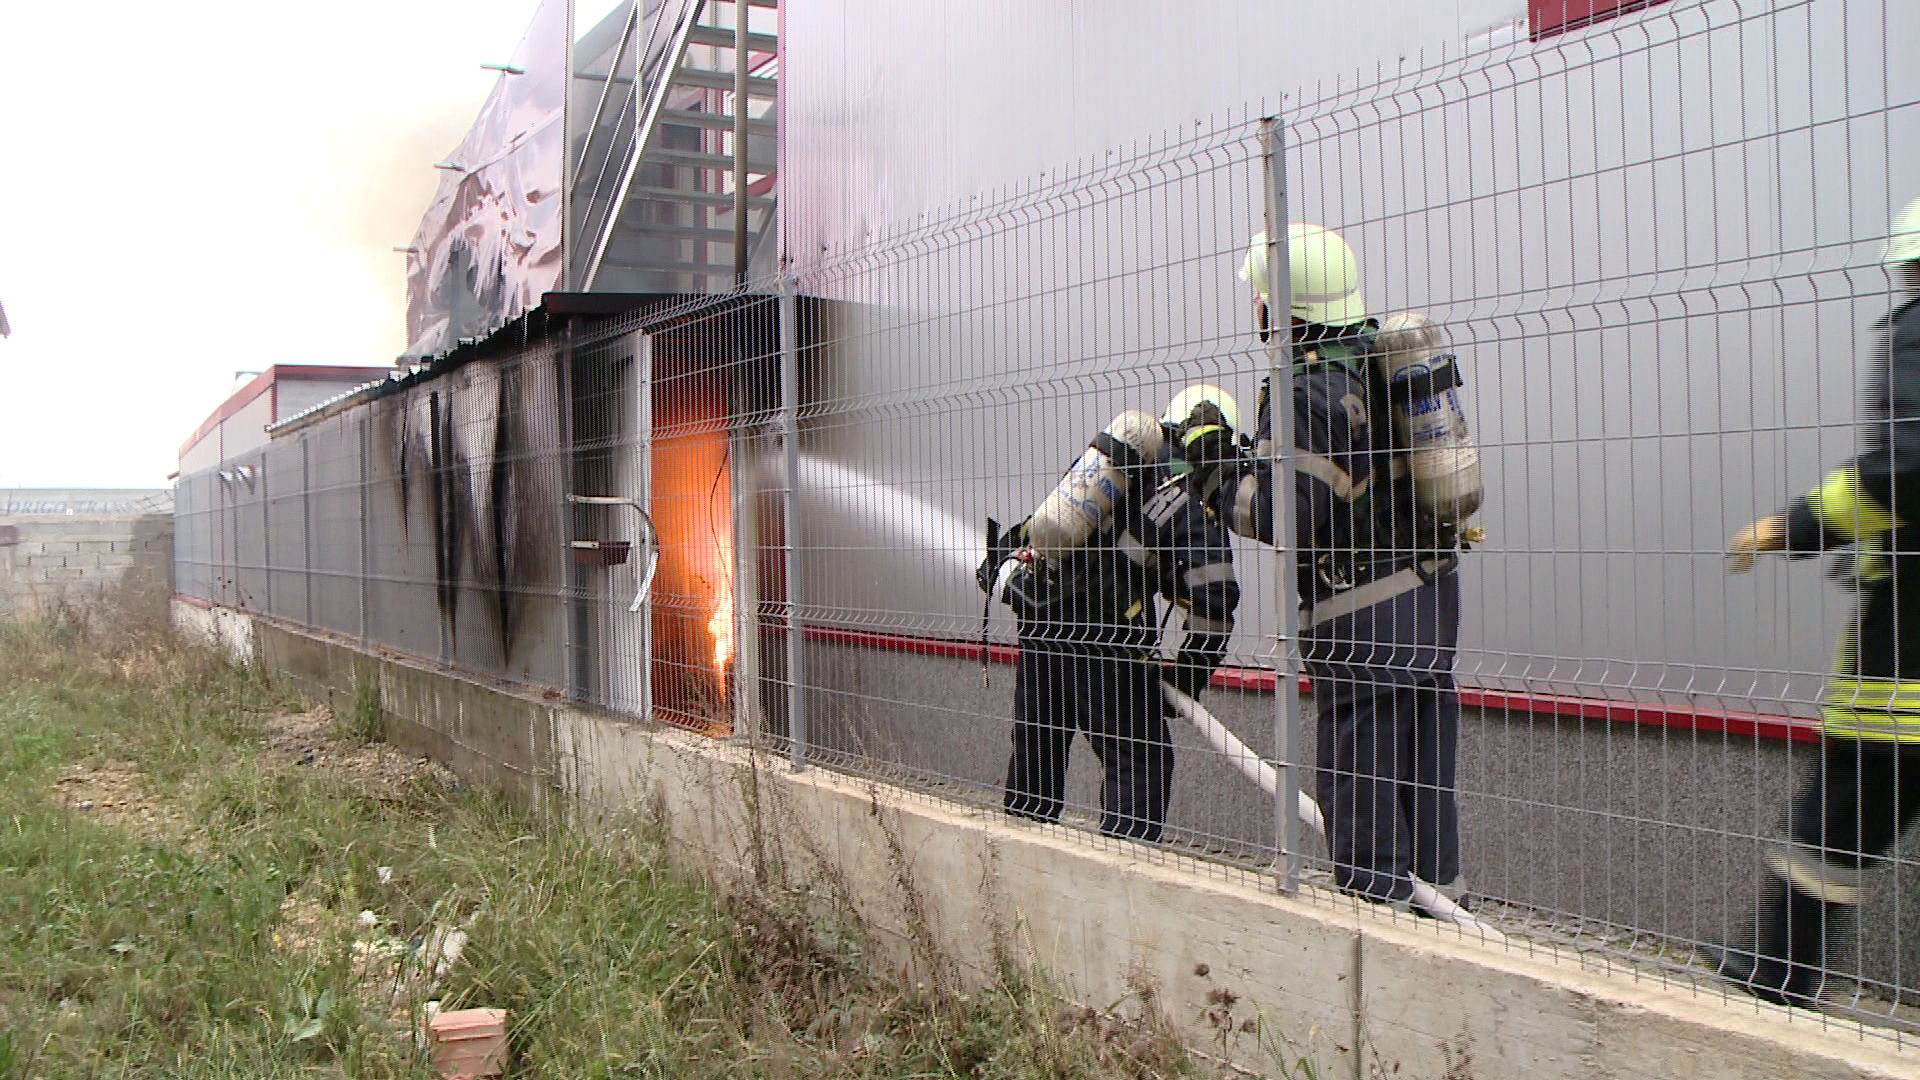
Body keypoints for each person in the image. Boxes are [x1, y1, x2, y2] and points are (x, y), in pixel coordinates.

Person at [1711, 196, 1920, 1007]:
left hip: (1907, 666)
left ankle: (1778, 976)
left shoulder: (1918, 331)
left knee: (1828, 833)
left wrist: (1790, 525)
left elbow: (1905, 468)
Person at [1229, 224, 1469, 910]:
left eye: (1257, 298)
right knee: (1426, 800)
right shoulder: (1382, 363)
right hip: (1430, 605)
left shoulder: (1308, 388)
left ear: (1282, 309)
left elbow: (1281, 518)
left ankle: (1382, 951)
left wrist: (1220, 471)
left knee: (1363, 812)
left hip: (1362, 623)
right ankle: (1447, 927)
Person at [977, 392, 1242, 843]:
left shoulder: (1112, 467)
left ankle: (1018, 856)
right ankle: (1124, 870)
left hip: (1041, 620)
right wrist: (1185, 678)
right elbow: (1215, 598)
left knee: (1038, 747)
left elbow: (1040, 529)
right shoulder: (1188, 499)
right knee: (1140, 758)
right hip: (1106, 635)